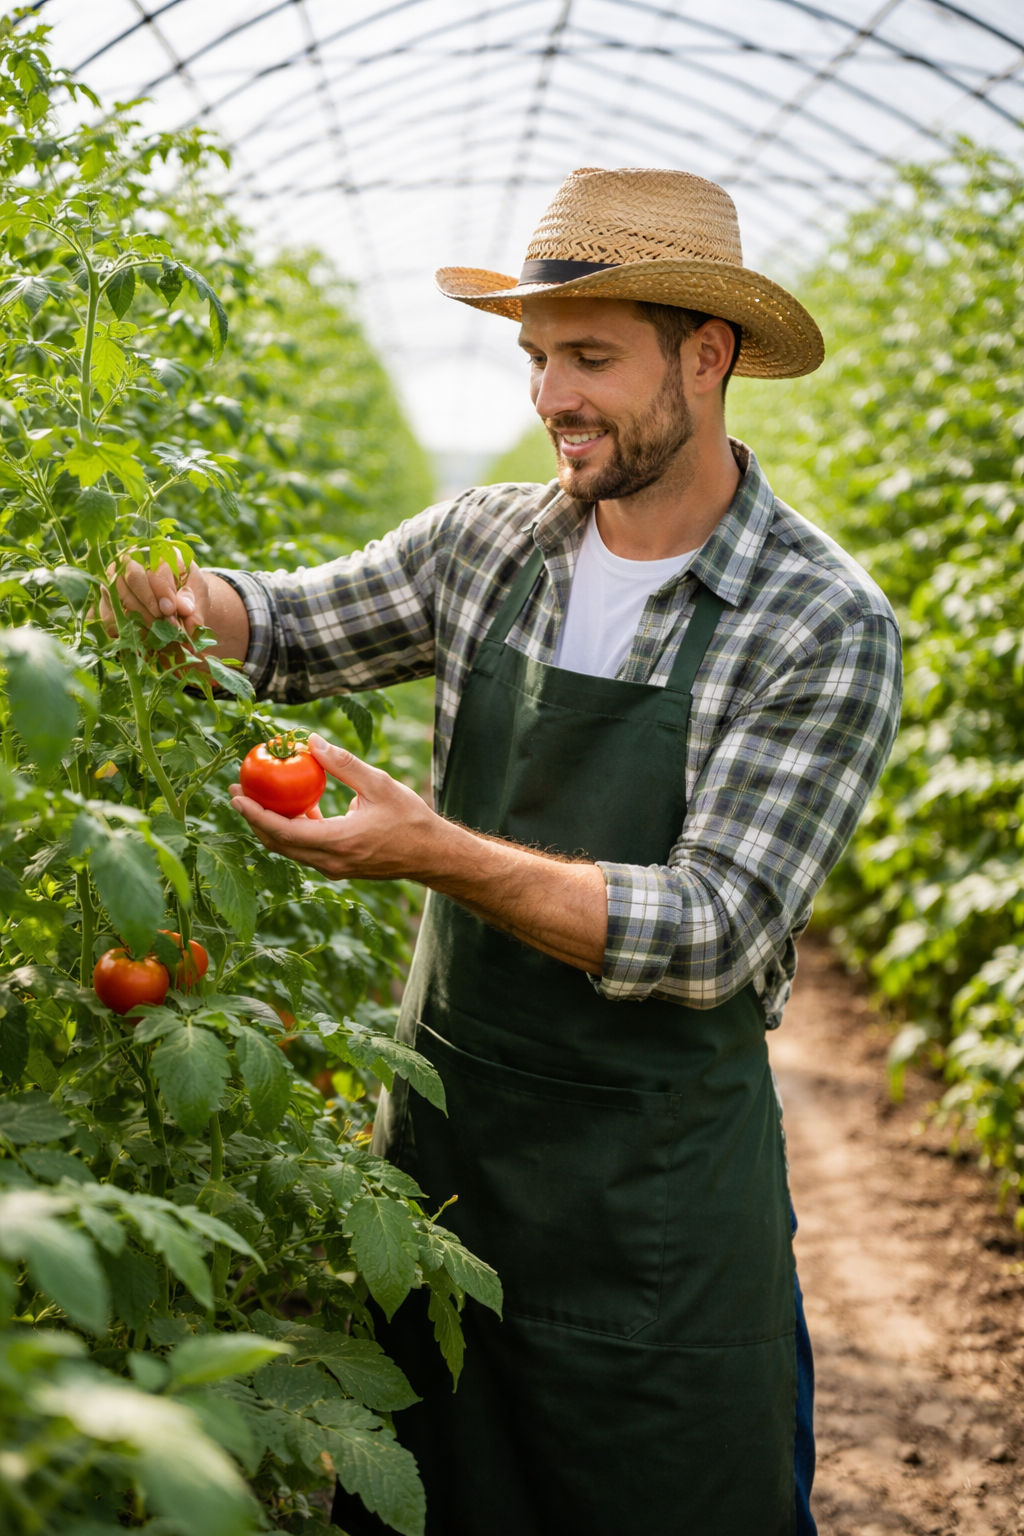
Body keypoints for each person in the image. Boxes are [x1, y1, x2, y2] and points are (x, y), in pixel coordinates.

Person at [102, 167, 902, 1535]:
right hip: (444, 1178)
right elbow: (288, 628)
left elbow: (713, 931)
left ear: (707, 358)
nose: (551, 400)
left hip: (650, 1211)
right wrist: (183, 599)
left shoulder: (817, 618)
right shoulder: (490, 544)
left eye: (590, 357)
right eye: (538, 358)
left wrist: (435, 853)